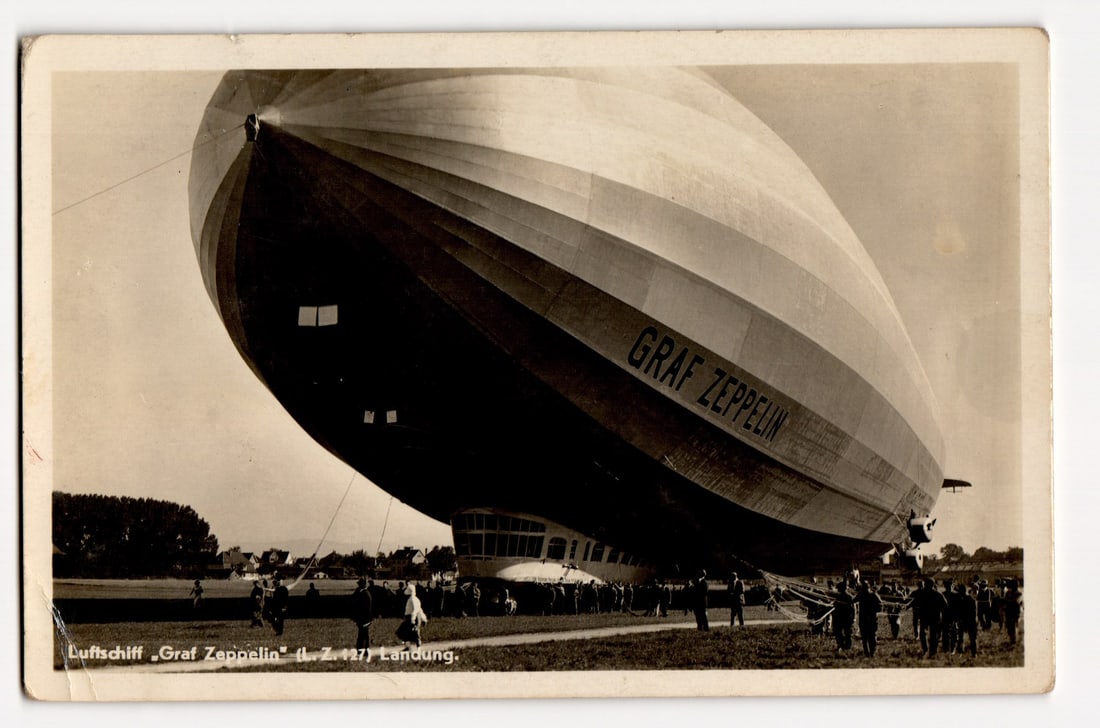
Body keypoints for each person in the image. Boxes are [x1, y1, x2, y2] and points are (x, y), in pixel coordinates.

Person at [913, 578, 948, 657]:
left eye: (926, 585)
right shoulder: (934, 594)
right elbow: (914, 601)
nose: (925, 586)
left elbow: (945, 605)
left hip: (931, 617)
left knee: (930, 634)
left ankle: (930, 650)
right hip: (928, 617)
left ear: (930, 585)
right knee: (927, 634)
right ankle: (928, 650)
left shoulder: (936, 594)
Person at [855, 581, 882, 657]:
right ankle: (868, 652)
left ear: (869, 588)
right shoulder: (867, 595)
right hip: (865, 619)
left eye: (866, 588)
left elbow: (880, 606)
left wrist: (874, 609)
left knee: (869, 636)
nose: (865, 590)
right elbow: (853, 601)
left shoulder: (872, 595)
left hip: (869, 619)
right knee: (867, 636)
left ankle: (870, 652)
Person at [398, 584, 428, 649]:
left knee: (413, 632)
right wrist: (424, 618)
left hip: (412, 617)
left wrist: (413, 619)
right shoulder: (414, 599)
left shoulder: (412, 599)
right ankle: (409, 646)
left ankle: (415, 647)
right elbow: (420, 610)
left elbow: (416, 609)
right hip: (411, 617)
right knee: (407, 632)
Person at [954, 583, 978, 656]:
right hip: (967, 621)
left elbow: (973, 613)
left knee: (966, 638)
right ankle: (971, 652)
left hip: (968, 621)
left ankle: (965, 652)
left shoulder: (966, 600)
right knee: (968, 638)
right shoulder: (970, 599)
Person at [350, 577, 373, 652]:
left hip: (364, 618)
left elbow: (364, 608)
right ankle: (365, 649)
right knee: (364, 634)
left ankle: (361, 649)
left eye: (359, 584)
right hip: (365, 618)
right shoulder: (363, 592)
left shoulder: (364, 594)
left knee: (362, 635)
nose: (358, 585)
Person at [832, 583, 855, 652]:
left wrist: (853, 618)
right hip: (841, 617)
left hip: (844, 617)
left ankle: (845, 645)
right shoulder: (838, 597)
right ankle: (842, 645)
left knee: (846, 632)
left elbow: (853, 609)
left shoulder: (848, 597)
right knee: (840, 632)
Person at [1003, 580, 1022, 646]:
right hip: (1008, 611)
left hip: (1015, 612)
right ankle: (1011, 639)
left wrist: (1008, 602)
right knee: (1009, 626)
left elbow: (1016, 602)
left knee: (1013, 626)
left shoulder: (1019, 593)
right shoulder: (1008, 592)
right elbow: (1005, 601)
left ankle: (1013, 641)